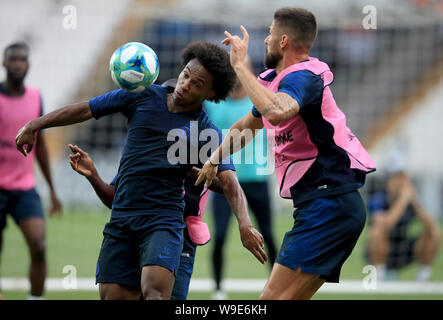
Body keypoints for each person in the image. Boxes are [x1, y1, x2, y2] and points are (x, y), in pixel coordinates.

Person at [16, 41, 267, 300]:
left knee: (155, 293)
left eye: (197, 84)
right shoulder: (142, 95)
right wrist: (35, 125)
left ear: (211, 93)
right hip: (122, 219)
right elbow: (86, 108)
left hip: (164, 219)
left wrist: (245, 224)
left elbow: (230, 183)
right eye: (185, 75)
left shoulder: (206, 130)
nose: (185, 85)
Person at [196, 7, 376, 300]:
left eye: (269, 33)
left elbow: (277, 112)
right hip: (327, 205)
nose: (265, 40)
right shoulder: (278, 80)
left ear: (282, 41)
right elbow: (246, 125)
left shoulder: (303, 77)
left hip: (329, 204)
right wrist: (214, 160)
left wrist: (240, 66)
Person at [67, 143, 226, 299]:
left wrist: (188, 168)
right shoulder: (148, 140)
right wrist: (93, 175)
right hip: (135, 232)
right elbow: (116, 197)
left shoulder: (204, 136)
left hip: (181, 236)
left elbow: (226, 184)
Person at [204, 61, 277, 300]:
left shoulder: (260, 103)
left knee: (268, 234)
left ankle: (277, 285)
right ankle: (217, 289)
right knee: (221, 235)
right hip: (224, 181)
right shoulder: (213, 104)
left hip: (256, 179)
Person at [0, 42, 62, 300]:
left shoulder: (36, 96)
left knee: (39, 245)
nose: (17, 63)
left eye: (22, 59)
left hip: (24, 188)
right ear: (4, 63)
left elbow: (41, 145)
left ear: (28, 65)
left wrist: (51, 189)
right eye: (12, 59)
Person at [367, 171, 440, 282]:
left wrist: (415, 201)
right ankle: (380, 275)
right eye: (397, 179)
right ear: (388, 183)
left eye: (404, 180)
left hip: (404, 248)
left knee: (435, 233)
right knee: (376, 232)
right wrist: (402, 200)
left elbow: (431, 225)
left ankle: (423, 277)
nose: (401, 184)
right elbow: (385, 224)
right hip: (380, 250)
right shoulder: (379, 198)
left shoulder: (412, 201)